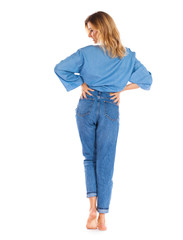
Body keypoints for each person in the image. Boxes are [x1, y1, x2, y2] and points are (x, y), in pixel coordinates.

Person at [54, 11, 153, 231]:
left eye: (92, 29)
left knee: (90, 158)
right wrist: (122, 89)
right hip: (110, 107)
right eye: (88, 30)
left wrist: (80, 83)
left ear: (103, 27)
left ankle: (91, 209)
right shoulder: (127, 56)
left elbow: (60, 68)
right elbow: (147, 80)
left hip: (86, 106)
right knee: (106, 161)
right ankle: (102, 216)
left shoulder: (85, 54)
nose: (89, 35)